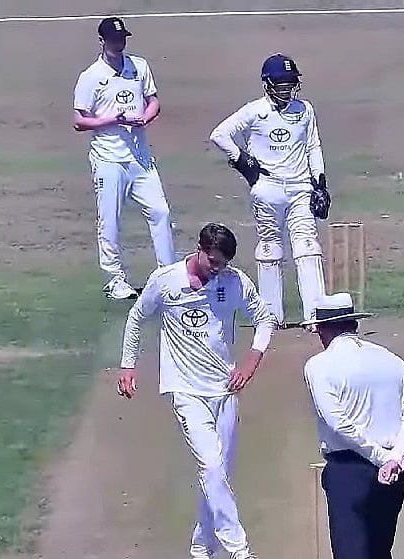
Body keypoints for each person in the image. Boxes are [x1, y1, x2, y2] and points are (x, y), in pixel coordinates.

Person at [117, 223, 275, 559]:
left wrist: (250, 362)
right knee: (212, 468)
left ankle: (202, 548)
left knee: (218, 475)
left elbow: (265, 320)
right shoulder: (166, 280)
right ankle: (240, 551)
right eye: (213, 261)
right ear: (199, 249)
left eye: (223, 264)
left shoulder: (233, 282)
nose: (217, 269)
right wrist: (128, 365)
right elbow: (136, 317)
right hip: (186, 390)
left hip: (225, 389)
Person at [208, 52, 331, 330]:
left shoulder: (305, 110)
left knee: (307, 247)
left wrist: (320, 182)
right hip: (267, 188)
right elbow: (219, 134)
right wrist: (242, 162)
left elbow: (313, 146)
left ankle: (316, 314)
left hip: (301, 188)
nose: (287, 89)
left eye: (291, 83)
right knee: (270, 248)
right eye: (282, 84)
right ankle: (271, 315)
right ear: (268, 84)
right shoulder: (254, 111)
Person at [301, 293, 404, 559]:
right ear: (354, 325)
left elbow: (338, 423)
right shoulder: (391, 360)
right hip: (394, 474)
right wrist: (395, 458)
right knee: (380, 552)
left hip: (349, 472)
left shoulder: (319, 366)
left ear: (322, 329)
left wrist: (383, 459)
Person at [73, 16, 176, 300]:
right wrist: (111, 120)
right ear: (102, 41)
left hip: (141, 158)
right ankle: (115, 279)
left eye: (122, 39)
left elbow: (153, 100)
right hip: (108, 158)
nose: (119, 44)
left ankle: (167, 274)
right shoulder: (91, 76)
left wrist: (144, 117)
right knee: (110, 220)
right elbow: (79, 120)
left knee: (160, 212)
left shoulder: (138, 67)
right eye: (114, 40)